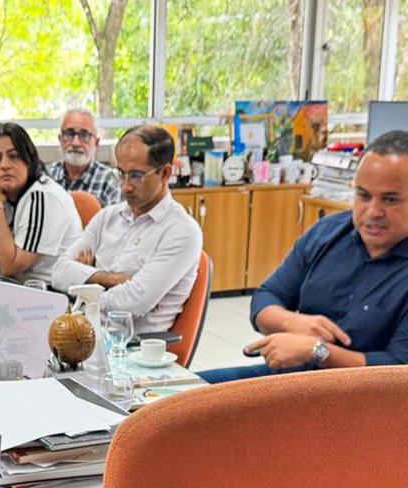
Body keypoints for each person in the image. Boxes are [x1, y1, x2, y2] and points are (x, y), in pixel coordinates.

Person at [198, 129, 408, 383]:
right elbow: (266, 297)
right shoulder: (328, 233)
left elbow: (398, 371)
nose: (373, 211)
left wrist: (317, 351)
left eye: (390, 200)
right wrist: (291, 323)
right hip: (292, 378)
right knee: (169, 401)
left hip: (362, 402)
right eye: (363, 196)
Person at [50, 126, 202, 334]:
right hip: (84, 333)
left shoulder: (182, 231)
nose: (125, 186)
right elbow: (58, 272)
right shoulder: (108, 217)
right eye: (121, 174)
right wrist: (107, 278)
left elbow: (134, 302)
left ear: (165, 173)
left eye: (136, 176)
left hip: (132, 349)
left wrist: (83, 288)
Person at [0, 122, 83, 283]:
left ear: (29, 161)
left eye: (14, 156)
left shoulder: (43, 196)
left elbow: (11, 267)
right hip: (14, 288)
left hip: (49, 293)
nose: (4, 165)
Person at [46, 107, 123, 207]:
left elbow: (115, 221)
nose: (75, 143)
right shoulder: (46, 177)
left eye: (84, 135)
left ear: (96, 142)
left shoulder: (110, 181)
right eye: (69, 134)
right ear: (60, 139)